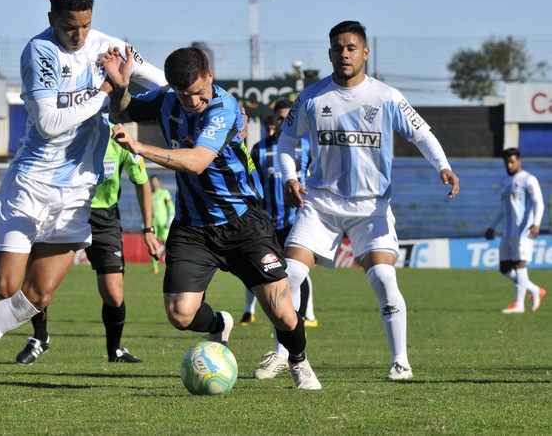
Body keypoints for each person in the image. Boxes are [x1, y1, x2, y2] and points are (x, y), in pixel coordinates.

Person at [0, 0, 166, 390]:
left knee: (35, 297)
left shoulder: (112, 47)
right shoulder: (39, 51)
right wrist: (106, 88)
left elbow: (162, 84)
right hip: (32, 183)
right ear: (52, 19)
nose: (79, 35)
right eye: (70, 27)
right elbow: (50, 124)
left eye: (85, 26)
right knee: (4, 287)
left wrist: (213, 102)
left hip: (77, 195)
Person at [103, 45, 322, 390]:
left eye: (198, 92)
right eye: (184, 95)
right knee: (180, 314)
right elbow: (123, 111)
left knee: (280, 311)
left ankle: (298, 361)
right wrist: (121, 87)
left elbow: (197, 161)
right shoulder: (166, 100)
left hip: (243, 222)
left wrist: (141, 148)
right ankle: (219, 323)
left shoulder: (223, 107)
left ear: (209, 76)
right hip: (193, 228)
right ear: (173, 88)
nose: (193, 102)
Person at [266, 20, 460, 382]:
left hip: (371, 207)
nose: (344, 54)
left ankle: (400, 361)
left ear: (365, 52)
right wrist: (290, 177)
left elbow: (422, 135)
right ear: (330, 53)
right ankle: (282, 353)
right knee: (289, 273)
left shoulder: (386, 97)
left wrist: (443, 166)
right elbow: (286, 141)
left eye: (351, 47)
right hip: (321, 202)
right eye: (338, 48)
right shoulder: (311, 97)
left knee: (385, 277)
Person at [15, 126, 158, 365]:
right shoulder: (68, 135)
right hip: (65, 213)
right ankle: (40, 338)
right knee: (40, 286)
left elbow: (142, 182)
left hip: (104, 220)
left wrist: (148, 228)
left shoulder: (120, 139)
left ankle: (115, 350)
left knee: (113, 293)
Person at [248, 99, 318, 380]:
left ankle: (285, 349)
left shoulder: (307, 148)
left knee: (292, 276)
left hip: (298, 221)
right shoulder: (259, 150)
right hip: (267, 225)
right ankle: (285, 350)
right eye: (278, 118)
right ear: (272, 121)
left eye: (287, 117)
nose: (282, 122)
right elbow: (251, 183)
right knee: (273, 280)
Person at [485, 148, 546, 313]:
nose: (509, 165)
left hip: (524, 230)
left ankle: (519, 304)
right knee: (504, 267)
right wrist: (492, 226)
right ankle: (534, 290)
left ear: (519, 161)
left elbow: (538, 202)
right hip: (507, 230)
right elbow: (502, 208)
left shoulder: (528, 179)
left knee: (520, 264)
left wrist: (536, 223)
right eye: (507, 162)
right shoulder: (505, 181)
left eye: (512, 162)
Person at [150, 174, 175, 274]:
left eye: (155, 181)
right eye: (152, 181)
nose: (153, 183)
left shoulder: (164, 193)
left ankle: (168, 265)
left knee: (167, 244)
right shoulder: (149, 194)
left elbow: (170, 207)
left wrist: (170, 218)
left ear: (158, 182)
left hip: (164, 223)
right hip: (153, 224)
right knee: (152, 245)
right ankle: (154, 266)